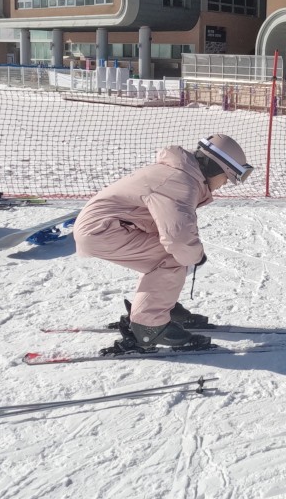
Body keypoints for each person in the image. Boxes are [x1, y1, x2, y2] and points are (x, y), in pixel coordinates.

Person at [73, 134, 253, 351]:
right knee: (173, 256)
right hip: (104, 229)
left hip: (105, 227)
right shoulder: (179, 183)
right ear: (216, 168)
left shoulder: (179, 174)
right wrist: (195, 255)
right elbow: (178, 239)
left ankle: (160, 308)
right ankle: (149, 327)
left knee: (169, 256)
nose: (224, 184)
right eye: (227, 177)